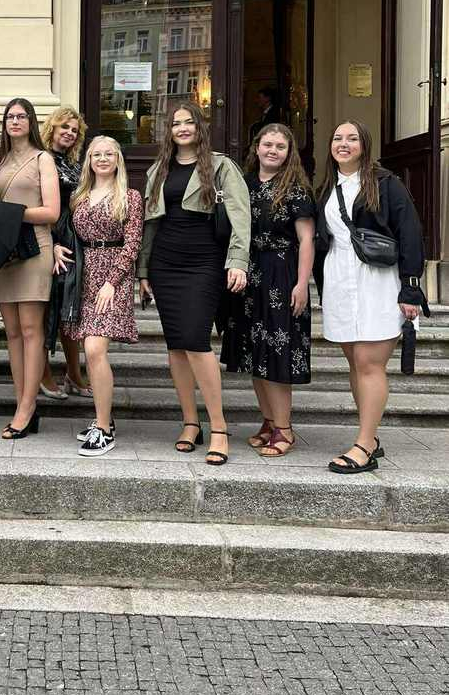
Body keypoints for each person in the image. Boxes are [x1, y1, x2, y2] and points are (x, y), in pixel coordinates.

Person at [137, 101, 250, 466]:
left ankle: (219, 427)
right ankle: (190, 422)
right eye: (176, 124)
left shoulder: (221, 166)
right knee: (176, 346)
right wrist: (143, 271)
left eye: (188, 122)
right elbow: (149, 225)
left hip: (204, 263)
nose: (182, 128)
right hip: (165, 264)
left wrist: (238, 262)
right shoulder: (158, 169)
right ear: (168, 131)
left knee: (197, 342)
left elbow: (240, 217)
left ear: (200, 127)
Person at [316, 120, 428, 475]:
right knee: (355, 362)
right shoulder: (328, 187)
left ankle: (364, 446)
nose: (343, 143)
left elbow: (410, 232)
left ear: (364, 145)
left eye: (352, 138)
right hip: (340, 281)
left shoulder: (386, 183)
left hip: (378, 281)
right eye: (337, 138)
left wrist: (410, 287)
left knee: (369, 363)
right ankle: (370, 436)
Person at [221, 124, 315, 458]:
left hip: (281, 273)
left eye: (280, 146)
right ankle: (269, 422)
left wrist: (302, 284)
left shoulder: (296, 190)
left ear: (289, 153)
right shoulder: (244, 184)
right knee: (255, 353)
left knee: (276, 354)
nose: (273, 151)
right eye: (268, 144)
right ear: (257, 147)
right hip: (249, 274)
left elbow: (306, 239)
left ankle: (284, 430)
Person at [59, 136, 142, 457]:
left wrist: (112, 282)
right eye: (97, 154)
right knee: (90, 350)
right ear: (89, 161)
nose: (103, 159)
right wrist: (55, 248)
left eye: (109, 154)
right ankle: (102, 418)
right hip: (83, 275)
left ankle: (104, 430)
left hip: (113, 277)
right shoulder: (78, 196)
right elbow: (65, 233)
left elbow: (132, 244)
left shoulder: (130, 196)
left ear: (118, 159)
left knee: (94, 348)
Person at [0, 97, 60, 439]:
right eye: (10, 116)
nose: (15, 121)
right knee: (13, 333)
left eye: (21, 116)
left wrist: (10, 214)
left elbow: (51, 212)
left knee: (32, 331)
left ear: (31, 122)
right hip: (6, 253)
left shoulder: (43, 159)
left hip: (35, 247)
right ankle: (22, 403)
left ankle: (28, 406)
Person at [40, 105, 91, 399]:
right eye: (65, 127)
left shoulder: (74, 164)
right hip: (49, 238)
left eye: (74, 130)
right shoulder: (41, 159)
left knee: (71, 309)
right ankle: (43, 373)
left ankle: (74, 372)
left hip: (73, 240)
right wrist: (50, 243)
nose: (70, 133)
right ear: (52, 128)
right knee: (47, 309)